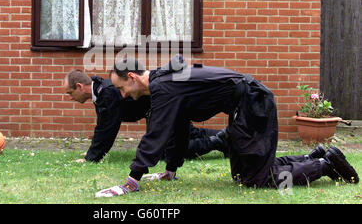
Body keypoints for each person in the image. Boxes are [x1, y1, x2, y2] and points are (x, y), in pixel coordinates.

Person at [95, 55, 359, 197]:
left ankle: (323, 166)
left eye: (122, 89)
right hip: (244, 105)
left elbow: (156, 134)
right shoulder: (165, 81)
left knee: (257, 179)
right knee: (244, 175)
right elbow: (175, 127)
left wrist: (132, 181)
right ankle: (313, 156)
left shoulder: (164, 86)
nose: (124, 96)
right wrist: (170, 170)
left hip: (253, 102)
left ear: (132, 77)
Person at [63, 69, 228, 163]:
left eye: (70, 93)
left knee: (168, 151)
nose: (70, 98)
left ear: (79, 86)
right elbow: (102, 127)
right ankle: (228, 138)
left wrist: (91, 158)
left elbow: (107, 129)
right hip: (156, 106)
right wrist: (92, 152)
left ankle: (218, 141)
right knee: (189, 134)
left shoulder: (105, 94)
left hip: (160, 105)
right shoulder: (99, 90)